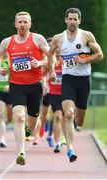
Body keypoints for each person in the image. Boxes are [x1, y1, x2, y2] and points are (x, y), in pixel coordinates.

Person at [0, 11, 49, 165]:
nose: (22, 24)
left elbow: (52, 57)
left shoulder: (38, 39)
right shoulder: (7, 42)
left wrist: (40, 63)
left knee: (32, 123)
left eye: (25, 22)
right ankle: (21, 153)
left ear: (30, 24)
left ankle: (29, 131)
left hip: (35, 86)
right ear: (15, 24)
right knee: (19, 117)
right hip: (17, 85)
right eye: (20, 22)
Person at [48, 7, 103, 162]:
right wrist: (52, 69)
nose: (72, 22)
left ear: (80, 20)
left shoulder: (86, 35)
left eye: (75, 19)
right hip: (68, 79)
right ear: (65, 20)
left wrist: (85, 60)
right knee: (68, 113)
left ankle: (75, 128)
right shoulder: (58, 38)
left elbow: (100, 55)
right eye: (70, 19)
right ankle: (70, 149)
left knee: (79, 120)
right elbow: (50, 54)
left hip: (84, 80)